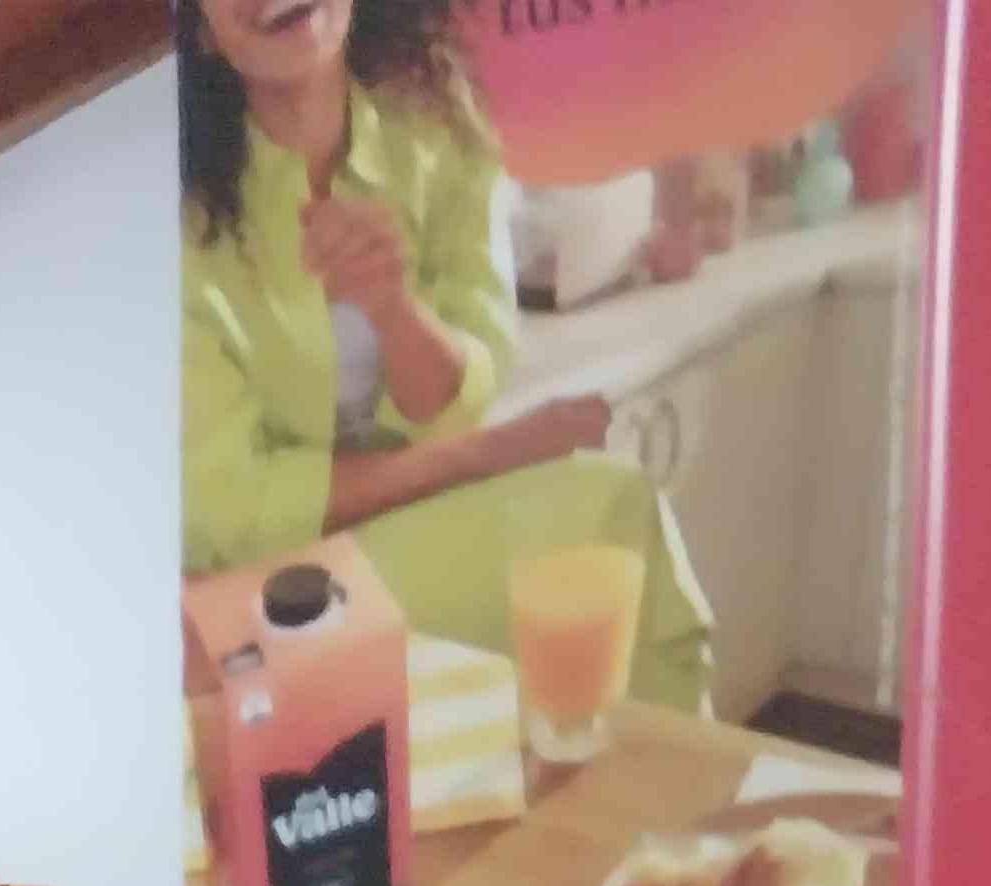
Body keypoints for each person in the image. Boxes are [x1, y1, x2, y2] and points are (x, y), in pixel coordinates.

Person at [179, 0, 711, 713]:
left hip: (400, 533)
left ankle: (664, 775)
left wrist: (394, 311)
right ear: (198, 28)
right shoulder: (171, 218)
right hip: (256, 584)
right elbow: (232, 509)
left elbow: (464, 390)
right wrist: (488, 455)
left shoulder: (437, 127)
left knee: (614, 512)